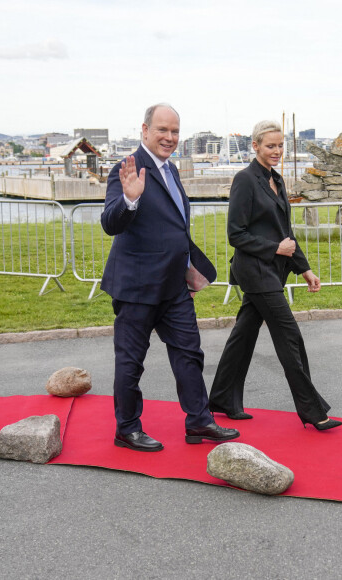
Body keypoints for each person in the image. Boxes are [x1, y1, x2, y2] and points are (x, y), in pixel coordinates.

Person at [100, 103, 239, 451]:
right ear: (144, 130)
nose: (169, 137)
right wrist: (129, 200)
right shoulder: (127, 168)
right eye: (162, 130)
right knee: (131, 363)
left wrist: (190, 269)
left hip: (174, 286)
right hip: (137, 287)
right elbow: (109, 223)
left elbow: (173, 225)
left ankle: (200, 422)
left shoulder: (171, 170)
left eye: (175, 131)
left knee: (189, 355)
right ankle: (127, 429)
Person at [208, 120, 342, 431]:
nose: (277, 151)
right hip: (255, 272)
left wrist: (304, 268)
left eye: (281, 145)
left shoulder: (277, 181)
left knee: (243, 337)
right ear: (255, 146)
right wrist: (275, 249)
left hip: (273, 271)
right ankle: (312, 410)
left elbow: (287, 234)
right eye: (271, 146)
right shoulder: (245, 180)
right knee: (289, 336)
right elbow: (235, 234)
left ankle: (222, 398)